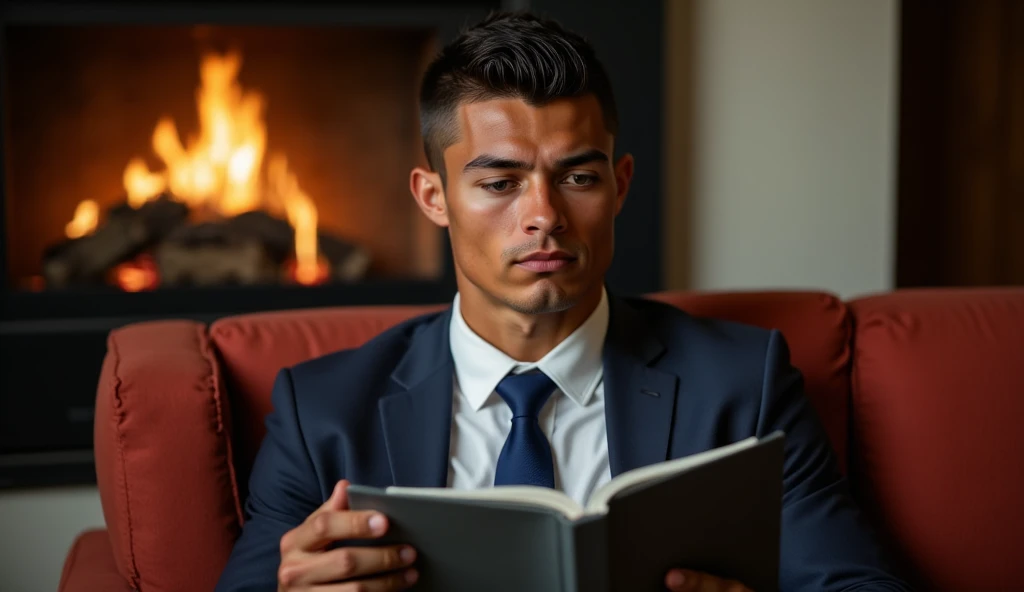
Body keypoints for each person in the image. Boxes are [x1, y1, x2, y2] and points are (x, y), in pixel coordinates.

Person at [216, 11, 911, 592]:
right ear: (434, 198)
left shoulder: (742, 385)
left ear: (621, 186)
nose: (544, 215)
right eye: (500, 183)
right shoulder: (323, 412)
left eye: (577, 176)